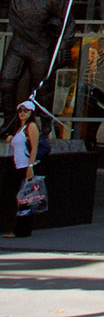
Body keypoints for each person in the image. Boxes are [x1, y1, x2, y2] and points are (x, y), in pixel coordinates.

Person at [0, 0, 65, 109]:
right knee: (5, 82)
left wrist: (65, 43)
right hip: (18, 46)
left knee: (42, 88)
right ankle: (10, 117)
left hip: (39, 49)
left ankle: (45, 121)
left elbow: (67, 22)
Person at [7, 100, 38, 238]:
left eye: (25, 111)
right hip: (18, 165)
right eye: (20, 111)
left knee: (25, 198)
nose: (22, 113)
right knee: (21, 197)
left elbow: (34, 147)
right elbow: (20, 148)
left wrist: (30, 166)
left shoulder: (31, 126)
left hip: (26, 166)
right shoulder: (21, 127)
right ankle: (19, 228)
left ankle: (22, 230)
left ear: (31, 113)